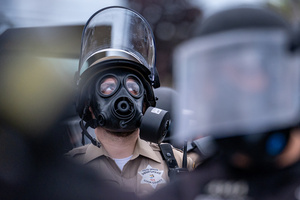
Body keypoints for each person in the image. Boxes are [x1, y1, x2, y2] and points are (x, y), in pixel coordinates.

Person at [143, 5, 300, 200]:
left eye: (244, 70)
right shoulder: (187, 191)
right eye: (212, 77)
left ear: (283, 77)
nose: (223, 90)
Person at [65, 6, 195, 197]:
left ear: (145, 103)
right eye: (108, 88)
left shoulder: (177, 163)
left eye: (133, 88)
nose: (123, 96)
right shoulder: (67, 169)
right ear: (89, 105)